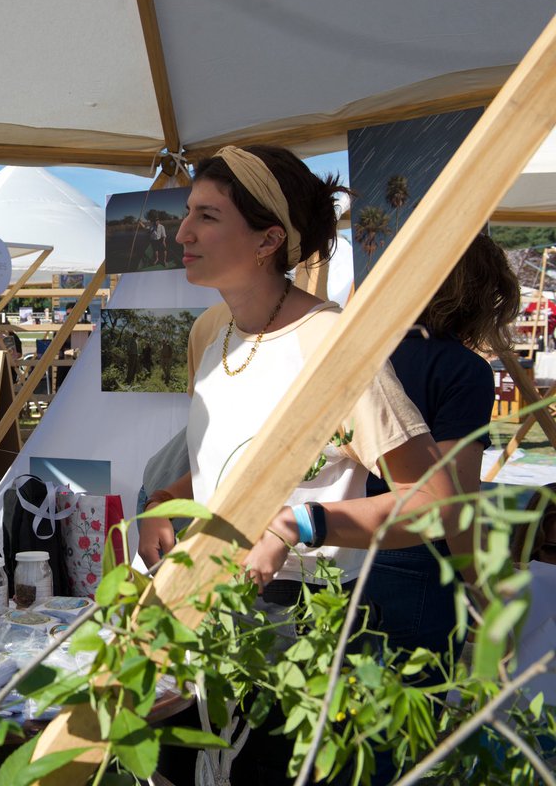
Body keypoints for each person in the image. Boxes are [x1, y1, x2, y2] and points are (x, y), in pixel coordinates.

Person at [135, 145, 458, 784]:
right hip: (203, 612)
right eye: (187, 214)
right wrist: (163, 503)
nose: (183, 232)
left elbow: (435, 504)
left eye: (207, 215)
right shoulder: (209, 332)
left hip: (303, 634)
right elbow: (222, 462)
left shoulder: (331, 342)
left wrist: (297, 525)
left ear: (267, 239)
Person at [365, 234, 519, 688]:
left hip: (339, 557)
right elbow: (454, 503)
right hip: (415, 568)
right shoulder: (462, 369)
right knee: (404, 728)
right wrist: (486, 597)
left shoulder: (364, 355)